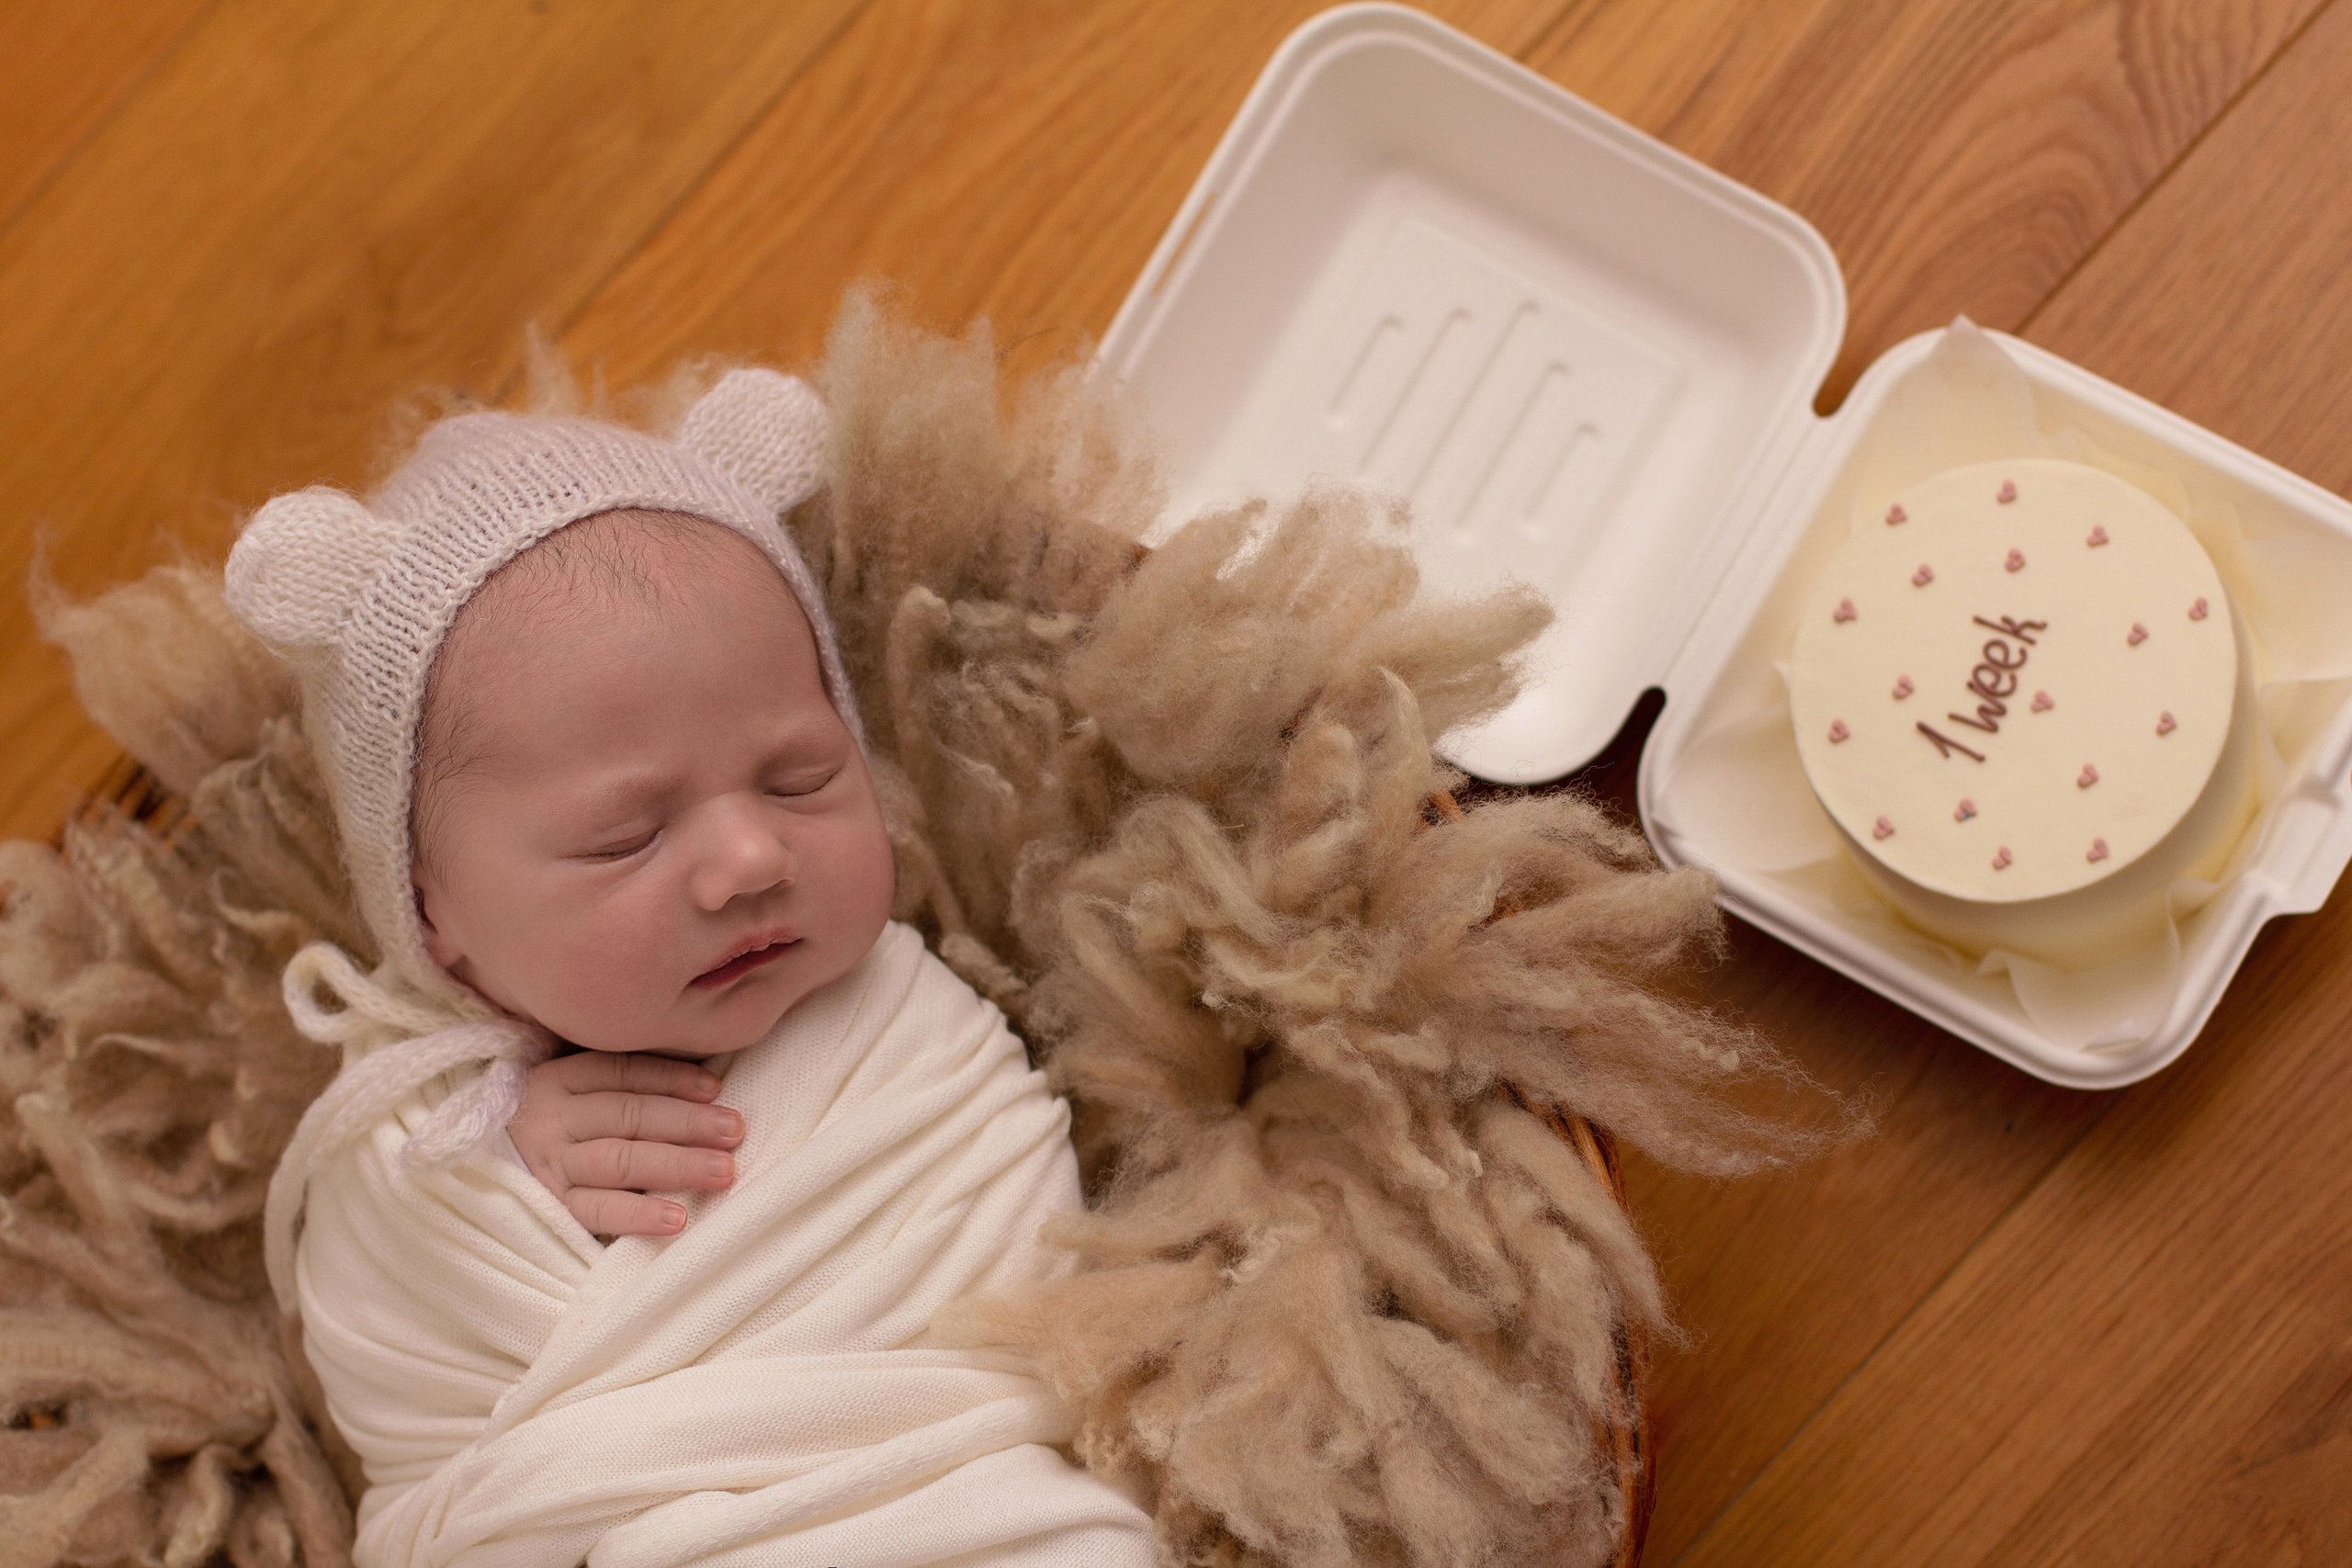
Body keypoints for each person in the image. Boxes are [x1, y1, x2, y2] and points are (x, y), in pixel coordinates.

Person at [232, 367, 1159, 1567]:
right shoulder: (414, 1134)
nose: (748, 856)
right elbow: (384, 1347)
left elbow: (1032, 1297)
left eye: (802, 777)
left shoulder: (905, 1030)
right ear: (434, 914)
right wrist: (490, 1157)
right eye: (626, 837)